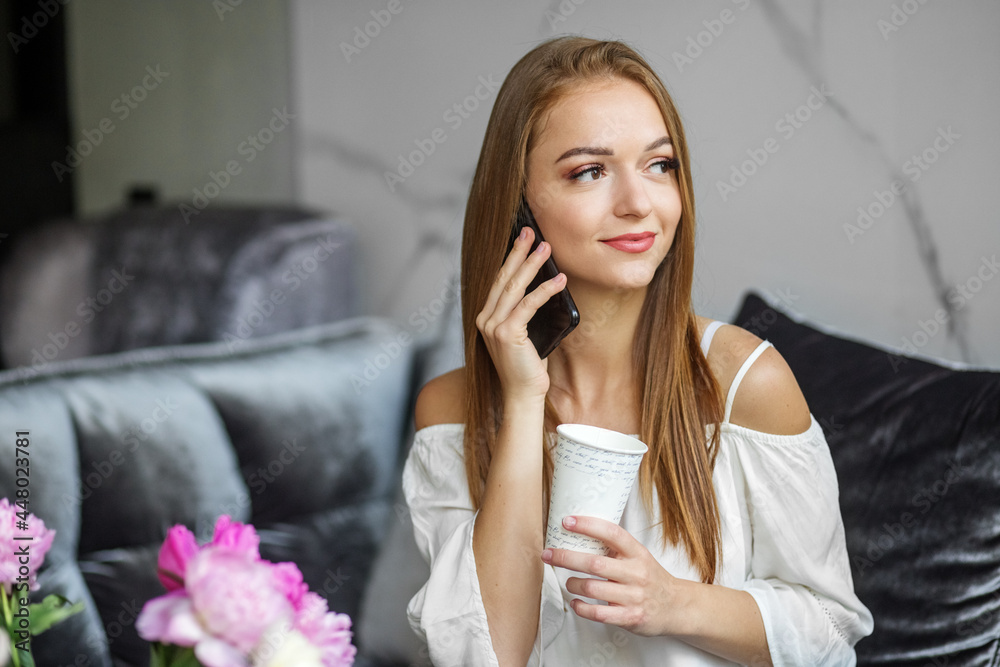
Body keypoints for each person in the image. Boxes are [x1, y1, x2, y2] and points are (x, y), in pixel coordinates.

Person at [403, 36, 873, 666]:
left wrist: (673, 603)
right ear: (520, 206)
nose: (638, 204)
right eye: (590, 171)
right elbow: (484, 656)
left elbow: (830, 631)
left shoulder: (743, 383)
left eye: (660, 165)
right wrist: (521, 402)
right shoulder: (450, 410)